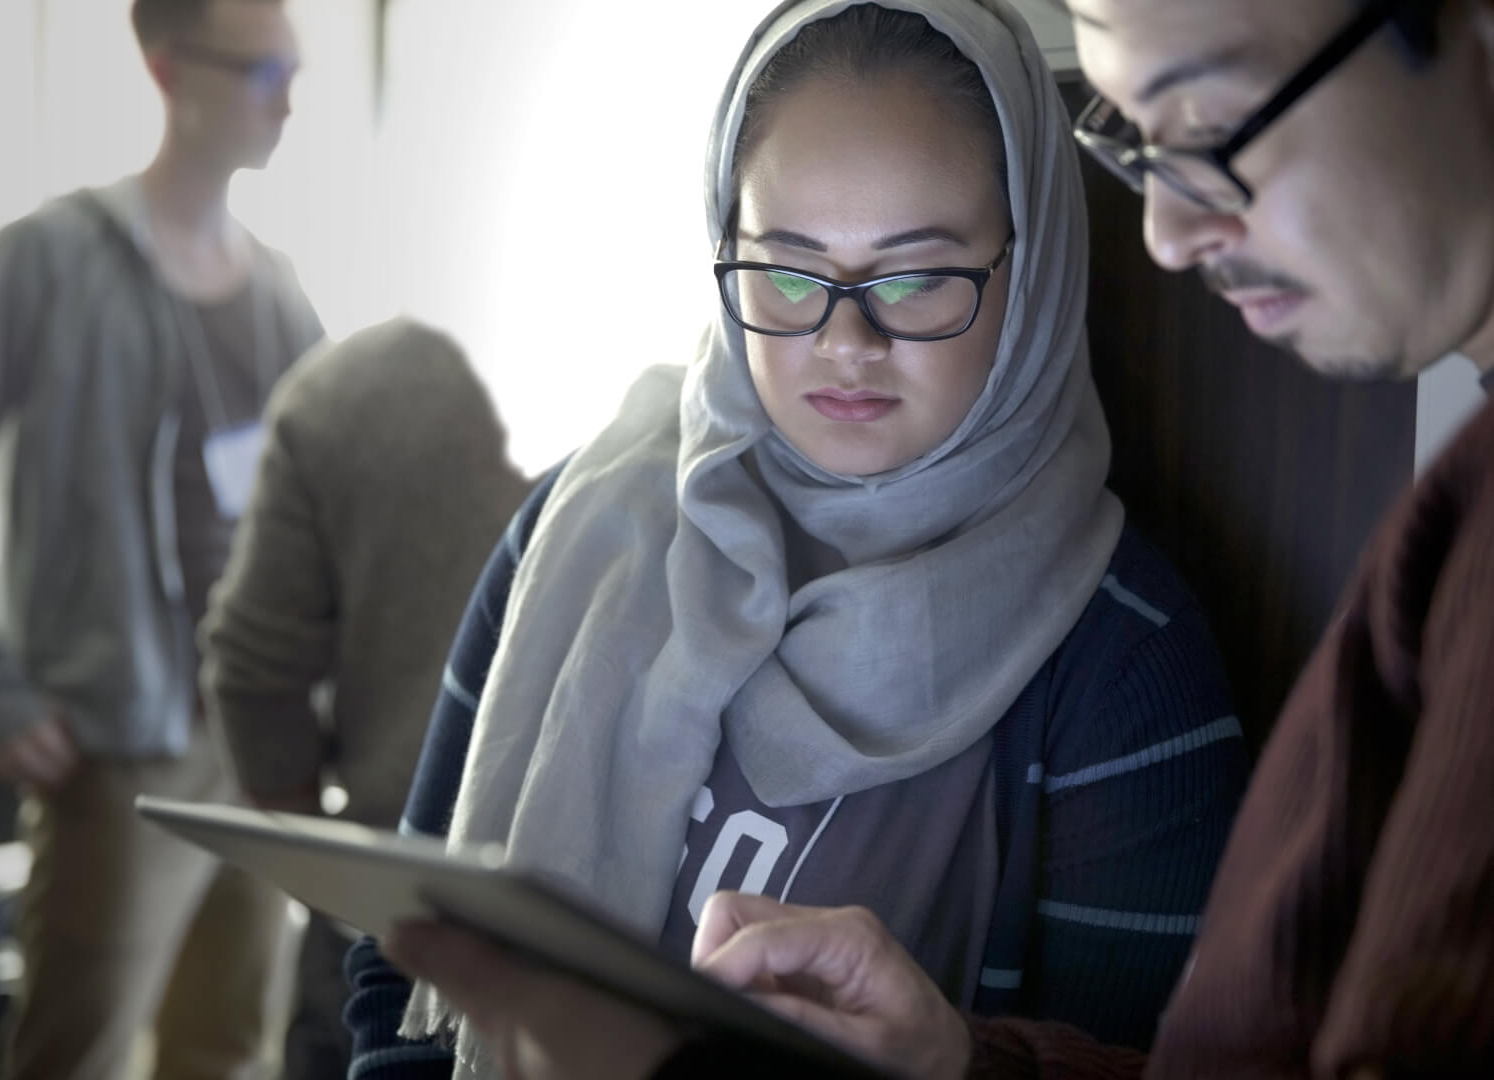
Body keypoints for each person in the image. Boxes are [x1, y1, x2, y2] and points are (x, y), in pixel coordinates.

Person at [380, 0, 1494, 1076]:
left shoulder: (1122, 661)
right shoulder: (582, 526)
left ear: (1035, 273)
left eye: (914, 277)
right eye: (785, 270)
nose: (844, 339)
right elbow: (397, 971)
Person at [0, 1, 324, 1076]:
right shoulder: (45, 261)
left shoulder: (278, 289)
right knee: (72, 1055)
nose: (288, 96)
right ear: (168, 68)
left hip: (261, 745)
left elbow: (327, 505)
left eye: (294, 68)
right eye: (261, 70)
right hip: (121, 751)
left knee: (229, 1050)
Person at [200, 317, 530, 1080]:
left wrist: (331, 882)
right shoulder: (763, 383)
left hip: (394, 913)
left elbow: (252, 673)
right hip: (656, 944)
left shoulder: (350, 386)